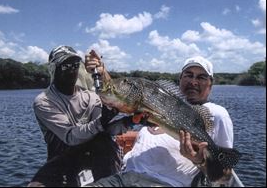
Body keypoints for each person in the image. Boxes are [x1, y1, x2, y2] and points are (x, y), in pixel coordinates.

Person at [84, 53, 234, 187]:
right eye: (188, 75)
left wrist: (198, 160)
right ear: (180, 79)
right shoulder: (157, 102)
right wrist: (102, 71)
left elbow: (224, 177)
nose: (193, 81)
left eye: (201, 77)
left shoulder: (216, 113)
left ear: (210, 83)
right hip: (123, 178)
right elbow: (117, 93)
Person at [28, 45, 138, 187]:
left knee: (104, 145)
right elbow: (71, 137)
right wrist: (102, 121)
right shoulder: (44, 102)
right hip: (63, 158)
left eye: (75, 65)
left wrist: (130, 121)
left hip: (98, 154)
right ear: (53, 69)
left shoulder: (90, 97)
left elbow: (106, 130)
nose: (72, 70)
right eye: (65, 66)